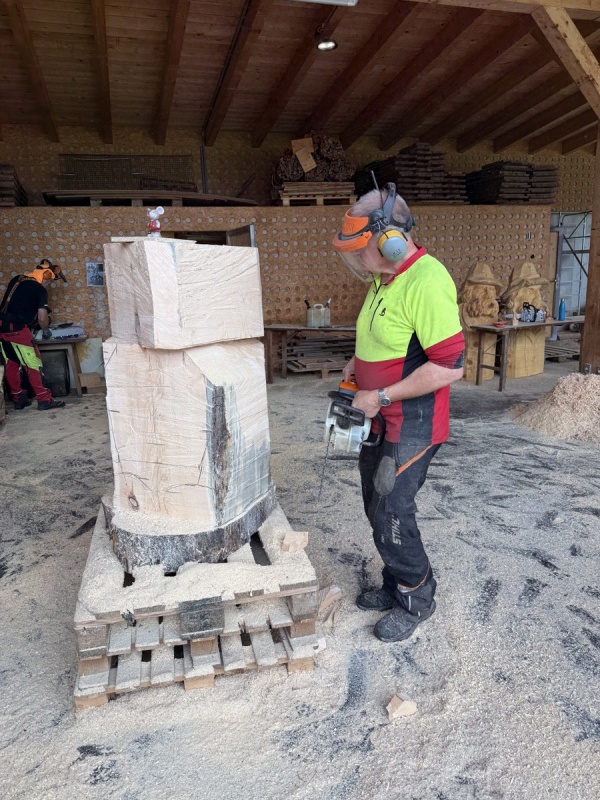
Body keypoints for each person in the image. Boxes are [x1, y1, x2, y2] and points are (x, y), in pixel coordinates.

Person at [332, 184, 464, 643]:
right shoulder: (383, 279)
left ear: (390, 240)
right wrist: (357, 364)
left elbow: (450, 366)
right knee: (375, 503)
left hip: (413, 422)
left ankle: (417, 595)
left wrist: (382, 395)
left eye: (360, 249)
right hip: (379, 416)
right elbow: (386, 337)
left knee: (391, 509)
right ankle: (395, 581)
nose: (357, 259)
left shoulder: (427, 280)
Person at [0, 260, 66, 410]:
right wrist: (46, 330)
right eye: (49, 281)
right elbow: (42, 318)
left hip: (2, 327)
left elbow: (17, 304)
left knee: (12, 363)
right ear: (45, 275)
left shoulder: (17, 279)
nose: (48, 284)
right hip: (17, 329)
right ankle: (44, 399)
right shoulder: (39, 289)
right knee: (33, 363)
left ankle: (19, 398)